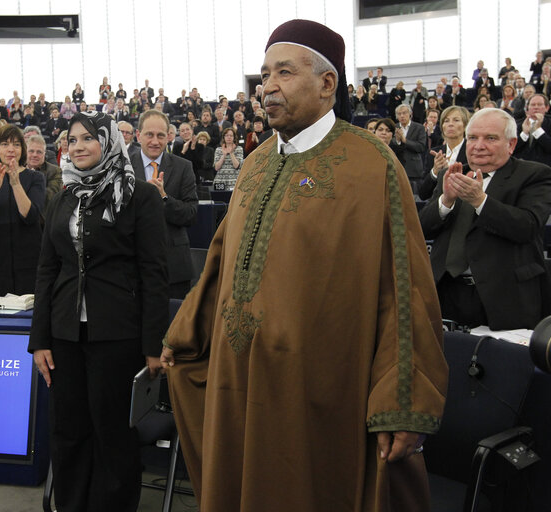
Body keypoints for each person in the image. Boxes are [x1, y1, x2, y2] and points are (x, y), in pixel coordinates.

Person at [161, 19, 447, 512]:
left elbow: (405, 289)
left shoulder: (372, 164)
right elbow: (222, 265)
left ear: (327, 83)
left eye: (284, 73)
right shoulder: (254, 163)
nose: (267, 87)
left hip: (318, 396)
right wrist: (186, 333)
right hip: (238, 385)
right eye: (265, 74)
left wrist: (401, 401)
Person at [29, 111, 169, 512]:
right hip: (64, 337)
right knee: (68, 431)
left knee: (113, 434)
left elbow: (154, 274)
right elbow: (46, 272)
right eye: (72, 141)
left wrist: (153, 345)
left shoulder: (139, 196)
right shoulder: (62, 200)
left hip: (118, 336)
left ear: (108, 143)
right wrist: (39, 340)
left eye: (88, 139)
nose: (78, 147)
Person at [420, 107, 551, 330]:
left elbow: (526, 227)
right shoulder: (451, 174)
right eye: (472, 138)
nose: (479, 146)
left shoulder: (534, 174)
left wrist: (480, 200)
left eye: (490, 138)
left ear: (511, 144)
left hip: (504, 297)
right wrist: (446, 201)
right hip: (446, 291)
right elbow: (423, 228)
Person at [128, 109, 198, 298]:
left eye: (160, 135)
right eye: (149, 134)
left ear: (168, 137)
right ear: (138, 135)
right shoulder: (122, 168)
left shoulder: (184, 167)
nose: (155, 141)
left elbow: (191, 213)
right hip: (131, 267)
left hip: (173, 268)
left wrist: (164, 198)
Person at [0, 124, 45, 296]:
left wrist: (15, 183)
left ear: (22, 148)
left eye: (16, 144)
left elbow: (30, 216)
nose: (11, 149)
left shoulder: (35, 178)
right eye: (5, 144)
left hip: (29, 257)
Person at [419, 105, 469, 201]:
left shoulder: (472, 151)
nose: (450, 124)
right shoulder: (433, 153)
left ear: (465, 125)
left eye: (456, 120)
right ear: (442, 126)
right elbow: (423, 194)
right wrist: (435, 172)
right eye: (446, 121)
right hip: (438, 211)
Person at [25, 134, 62, 203]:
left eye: (39, 152)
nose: (35, 155)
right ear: (25, 152)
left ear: (44, 154)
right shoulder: (17, 169)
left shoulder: (55, 171)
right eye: (31, 151)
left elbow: (51, 196)